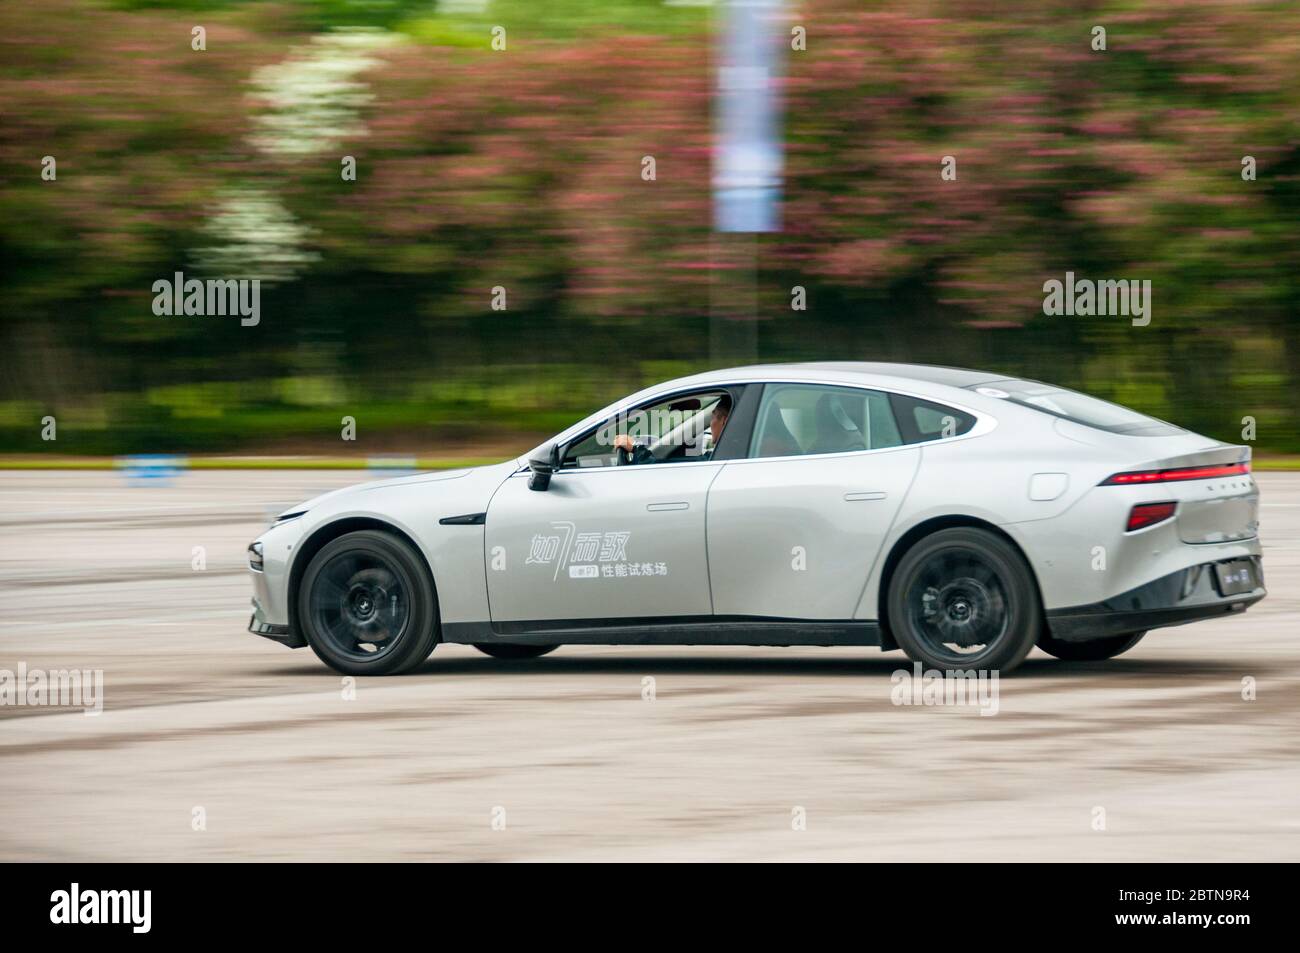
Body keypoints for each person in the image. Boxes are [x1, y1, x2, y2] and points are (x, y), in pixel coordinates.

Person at [613, 393, 731, 464]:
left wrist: (635, 447)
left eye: (713, 416)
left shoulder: (714, 460)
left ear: (724, 421)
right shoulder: (728, 455)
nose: (710, 424)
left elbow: (659, 469)